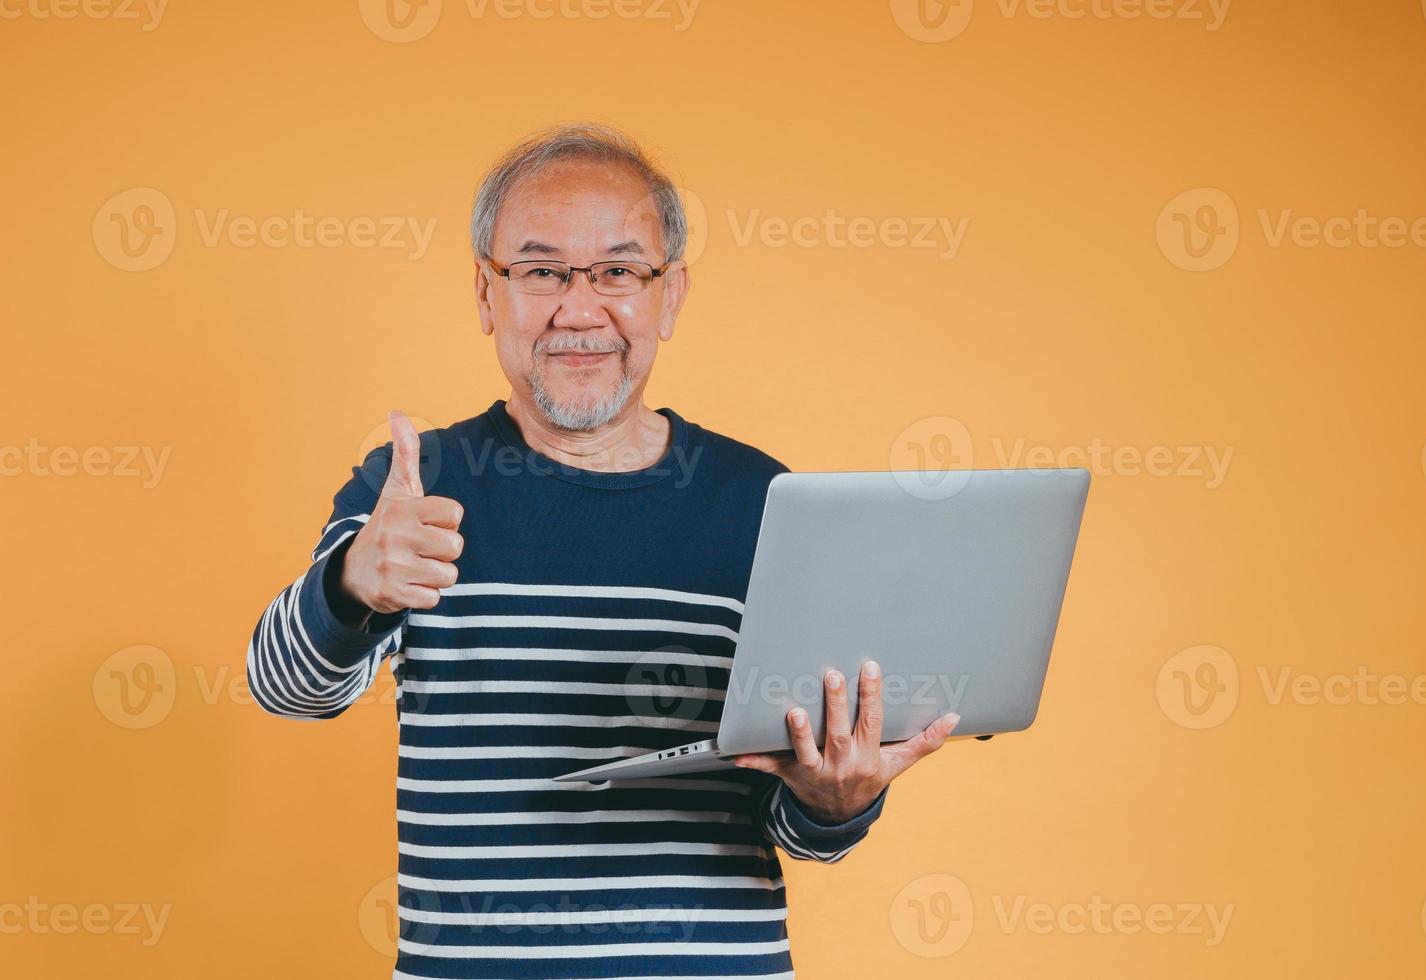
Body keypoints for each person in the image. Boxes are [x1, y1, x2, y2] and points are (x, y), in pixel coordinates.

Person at [246, 121, 961, 979]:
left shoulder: (769, 504)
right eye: (540, 271)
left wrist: (837, 801)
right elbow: (286, 690)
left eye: (619, 272)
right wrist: (353, 584)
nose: (579, 310)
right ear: (486, 293)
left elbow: (798, 830)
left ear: (670, 296)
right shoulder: (411, 486)